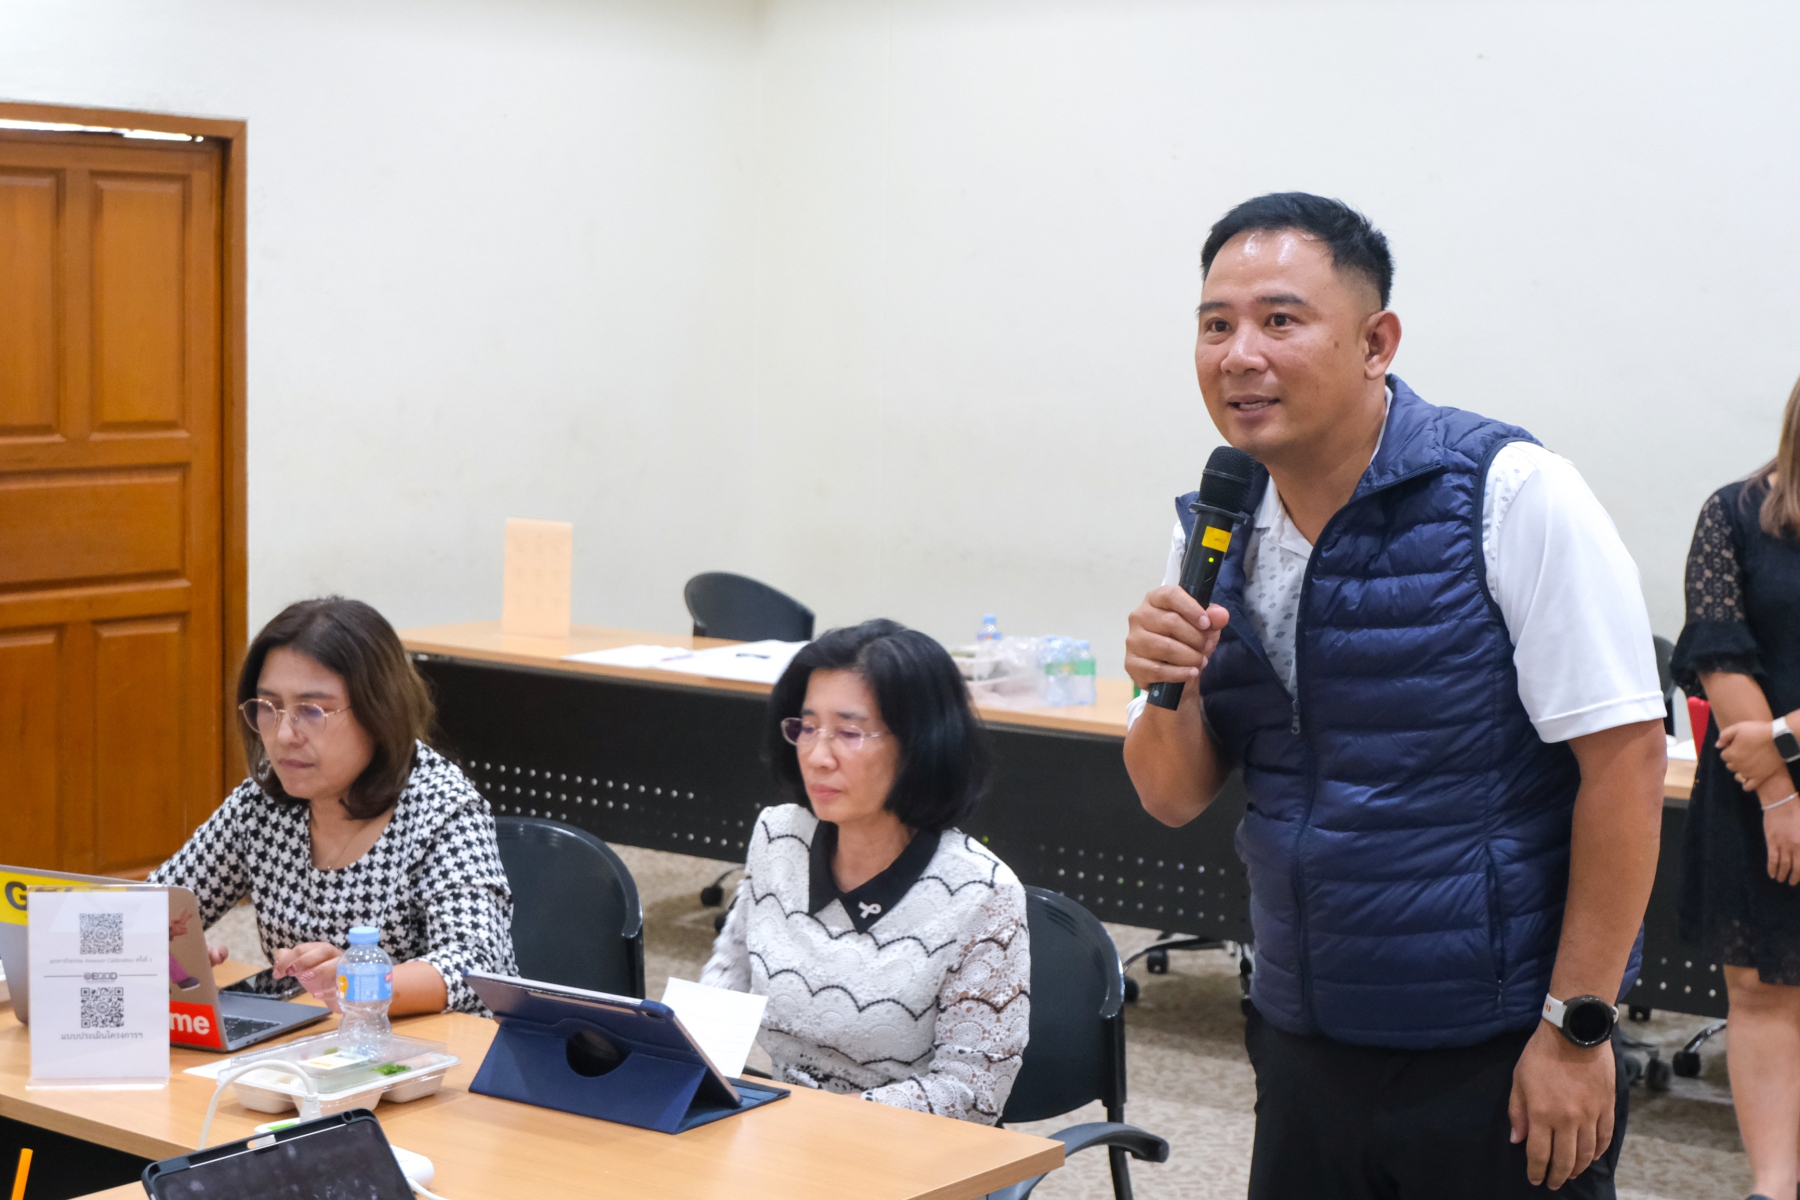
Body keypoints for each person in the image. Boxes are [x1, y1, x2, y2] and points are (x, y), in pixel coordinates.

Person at [1122, 193, 1668, 1197]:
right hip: (1304, 1030)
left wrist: (1577, 1030)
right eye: (1216, 325)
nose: (1240, 355)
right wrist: (1171, 689)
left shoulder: (1511, 493)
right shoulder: (1214, 527)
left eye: (1279, 320)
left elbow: (1627, 767)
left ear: (1377, 342)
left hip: (1495, 1043)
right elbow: (1169, 794)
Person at [701, 619, 1030, 1124]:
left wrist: (814, 1121)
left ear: (920, 744)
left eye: (849, 733)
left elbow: (971, 1094)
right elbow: (728, 977)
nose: (817, 756)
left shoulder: (981, 893)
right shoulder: (780, 835)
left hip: (902, 1148)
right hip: (783, 1131)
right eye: (807, 727)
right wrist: (677, 1061)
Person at [150, 596, 517, 1015]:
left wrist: (358, 980)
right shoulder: (262, 805)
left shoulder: (442, 807)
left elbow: (477, 967)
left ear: (378, 712)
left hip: (440, 1046)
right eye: (269, 707)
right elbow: (146, 910)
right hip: (317, 1040)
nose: (284, 735)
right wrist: (164, 954)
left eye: (312, 710)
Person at [1671, 375, 1800, 1200]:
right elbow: (1720, 653)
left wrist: (1785, 739)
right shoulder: (1734, 513)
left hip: (1771, 758)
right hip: (1754, 798)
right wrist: (1779, 791)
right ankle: (1773, 1186)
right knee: (1759, 988)